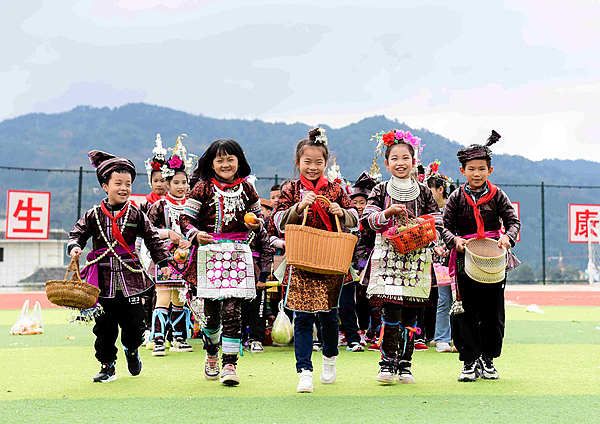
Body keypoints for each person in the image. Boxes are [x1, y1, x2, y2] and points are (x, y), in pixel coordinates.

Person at [68, 150, 170, 383]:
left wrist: (163, 262)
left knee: (134, 326)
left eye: (128, 184)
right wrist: (75, 246)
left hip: (131, 279)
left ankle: (132, 350)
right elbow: (78, 233)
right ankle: (107, 365)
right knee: (104, 327)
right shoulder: (93, 214)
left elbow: (153, 238)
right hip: (102, 282)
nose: (124, 188)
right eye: (118, 183)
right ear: (105, 186)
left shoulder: (136, 214)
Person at [272, 128, 358, 393]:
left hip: (330, 260)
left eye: (318, 162)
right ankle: (304, 371)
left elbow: (355, 219)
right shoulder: (290, 189)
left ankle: (330, 359)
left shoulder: (336, 189)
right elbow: (276, 220)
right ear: (297, 162)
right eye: (307, 162)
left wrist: (341, 212)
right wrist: (298, 207)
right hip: (301, 261)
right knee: (302, 317)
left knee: (329, 316)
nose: (312, 167)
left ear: (326, 162)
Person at [179, 138, 264, 386]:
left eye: (230, 159)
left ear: (239, 161)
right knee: (212, 314)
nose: (225, 164)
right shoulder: (203, 188)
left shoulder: (247, 189)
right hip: (209, 256)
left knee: (232, 311)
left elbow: (260, 219)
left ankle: (229, 364)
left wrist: (256, 225)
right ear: (211, 163)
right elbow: (185, 219)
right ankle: (211, 353)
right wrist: (196, 234)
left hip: (238, 255)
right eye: (220, 160)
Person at [362, 129, 442, 385]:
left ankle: (405, 365)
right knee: (391, 311)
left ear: (414, 161)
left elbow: (438, 220)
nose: (400, 163)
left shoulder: (424, 191)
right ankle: (387, 363)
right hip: (388, 259)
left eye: (405, 157)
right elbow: (367, 218)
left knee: (411, 315)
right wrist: (387, 214)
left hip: (417, 260)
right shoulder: (380, 189)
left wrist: (420, 223)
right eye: (394, 158)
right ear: (387, 163)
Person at [441, 130, 520, 382]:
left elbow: (513, 222)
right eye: (472, 169)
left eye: (482, 169)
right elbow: (444, 226)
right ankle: (469, 360)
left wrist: (507, 238)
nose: (477, 173)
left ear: (490, 170)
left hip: (494, 258)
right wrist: (455, 241)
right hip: (465, 257)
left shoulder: (498, 195)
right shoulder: (456, 197)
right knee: (466, 311)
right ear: (462, 170)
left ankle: (488, 359)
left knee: (492, 312)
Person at [147, 135, 197, 356]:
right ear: (167, 184)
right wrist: (169, 234)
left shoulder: (192, 206)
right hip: (165, 257)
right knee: (164, 297)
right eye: (176, 183)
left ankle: (179, 337)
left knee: (180, 298)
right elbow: (148, 231)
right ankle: (158, 339)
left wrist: (190, 239)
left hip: (186, 257)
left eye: (184, 182)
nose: (181, 186)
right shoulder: (160, 206)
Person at [425, 161, 456, 353]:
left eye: (430, 190)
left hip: (456, 259)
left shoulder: (453, 207)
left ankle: (459, 338)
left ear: (440, 189)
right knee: (444, 299)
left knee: (459, 299)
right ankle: (442, 338)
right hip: (440, 262)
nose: (428, 194)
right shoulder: (431, 211)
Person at [349, 171, 380, 350]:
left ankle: (375, 331)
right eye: (356, 203)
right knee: (359, 299)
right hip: (356, 265)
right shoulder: (350, 220)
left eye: (363, 202)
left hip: (373, 262)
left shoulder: (372, 220)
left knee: (375, 299)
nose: (359, 206)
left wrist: (364, 266)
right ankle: (361, 330)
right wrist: (360, 267)